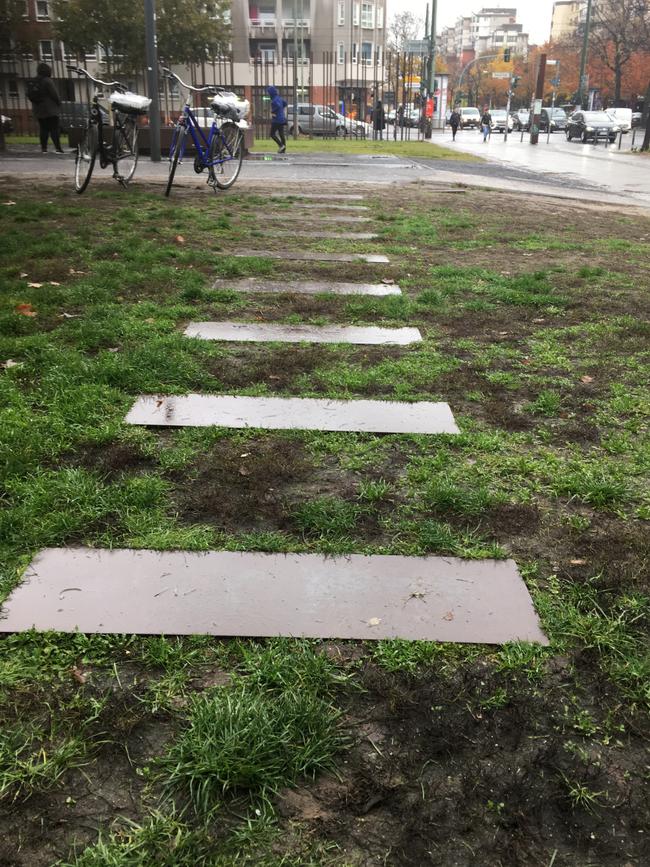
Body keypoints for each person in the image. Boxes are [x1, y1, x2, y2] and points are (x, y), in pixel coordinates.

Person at [31, 62, 63, 154]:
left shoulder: (34, 81)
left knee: (43, 129)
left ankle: (44, 149)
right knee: (54, 129)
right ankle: (58, 148)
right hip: (50, 109)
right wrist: (58, 103)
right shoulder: (47, 81)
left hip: (38, 109)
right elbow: (54, 94)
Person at [267, 85, 287, 154]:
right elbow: (285, 103)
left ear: (271, 93)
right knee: (281, 134)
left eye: (269, 93)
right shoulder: (279, 98)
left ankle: (281, 146)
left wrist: (273, 112)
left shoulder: (273, 101)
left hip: (276, 120)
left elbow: (277, 106)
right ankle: (283, 149)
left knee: (272, 134)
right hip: (282, 119)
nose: (268, 94)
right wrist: (281, 109)